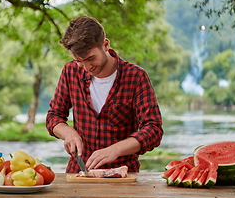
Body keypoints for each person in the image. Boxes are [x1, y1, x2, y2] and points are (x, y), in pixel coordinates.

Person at [46, 16, 163, 173]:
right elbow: (54, 116)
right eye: (79, 61)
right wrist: (68, 133)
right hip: (79, 173)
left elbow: (153, 129)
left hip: (123, 175)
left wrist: (116, 149)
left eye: (90, 58)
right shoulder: (70, 71)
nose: (86, 67)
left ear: (105, 45)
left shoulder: (136, 77)